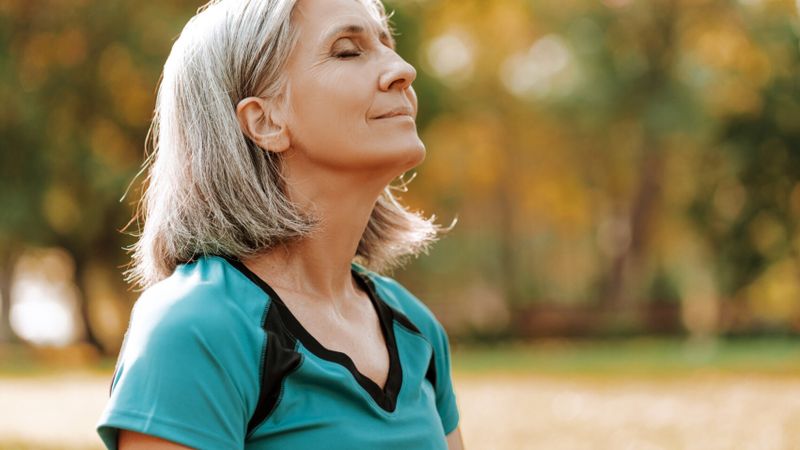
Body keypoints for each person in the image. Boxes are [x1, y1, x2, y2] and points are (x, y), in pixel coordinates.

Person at [95, 0, 464, 448]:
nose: (402, 70)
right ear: (265, 120)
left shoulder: (416, 328)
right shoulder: (194, 328)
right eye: (349, 50)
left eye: (388, 45)